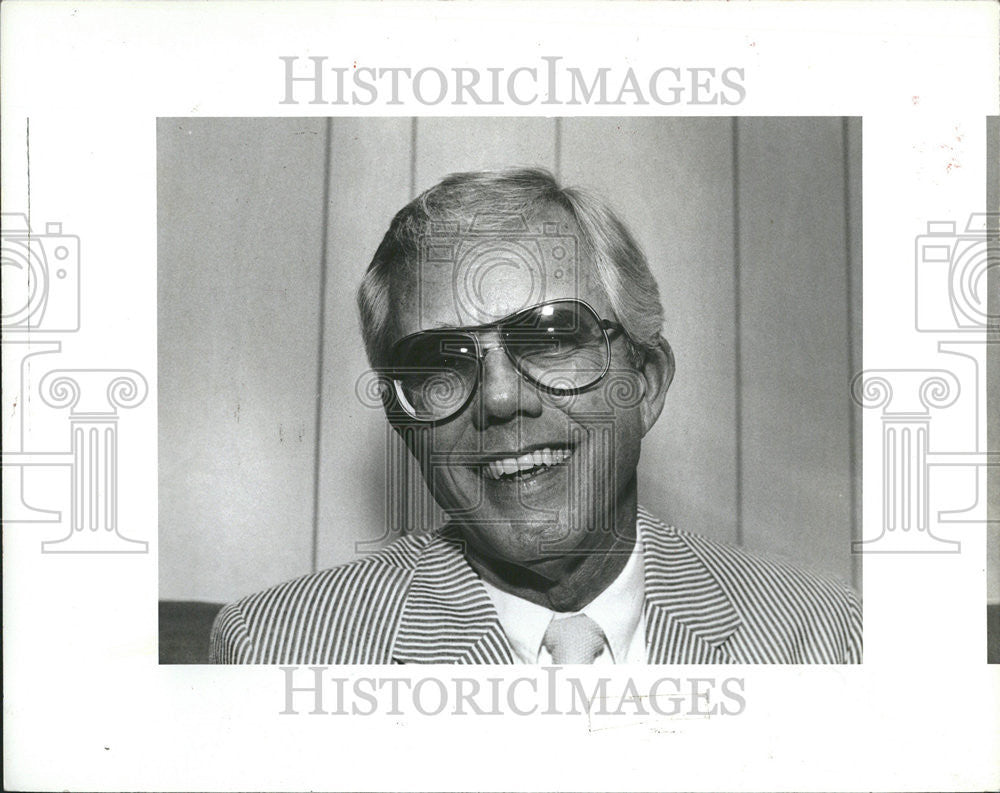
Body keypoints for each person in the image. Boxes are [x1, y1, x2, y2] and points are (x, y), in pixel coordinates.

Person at [210, 167, 862, 665]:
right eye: (441, 361)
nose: (498, 398)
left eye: (552, 337)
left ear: (647, 380)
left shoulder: (828, 636)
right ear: (404, 420)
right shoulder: (279, 649)